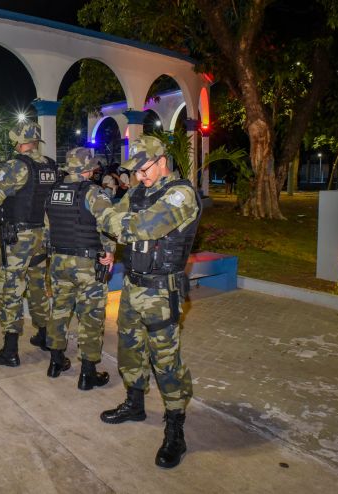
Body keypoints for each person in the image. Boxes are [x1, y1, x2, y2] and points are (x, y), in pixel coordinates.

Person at [97, 136, 201, 469]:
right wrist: (110, 247)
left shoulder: (181, 194)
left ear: (161, 160)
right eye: (136, 172)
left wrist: (106, 216)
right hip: (132, 287)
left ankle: (175, 430)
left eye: (143, 170)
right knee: (129, 350)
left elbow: (140, 227)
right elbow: (117, 220)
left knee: (166, 362)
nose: (139, 178)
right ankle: (135, 403)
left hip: (160, 292)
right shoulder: (140, 192)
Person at [0, 121, 58, 367]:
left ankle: (10, 350)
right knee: (37, 284)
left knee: (11, 288)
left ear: (18, 141)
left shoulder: (16, 165)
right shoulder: (49, 165)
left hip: (19, 238)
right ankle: (45, 335)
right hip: (43, 235)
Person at [44, 147, 116, 388]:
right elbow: (109, 225)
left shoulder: (53, 192)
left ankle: (55, 362)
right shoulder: (94, 193)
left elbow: (47, 229)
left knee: (60, 310)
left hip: (58, 261)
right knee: (91, 315)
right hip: (86, 264)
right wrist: (109, 252)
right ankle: (87, 373)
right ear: (88, 169)